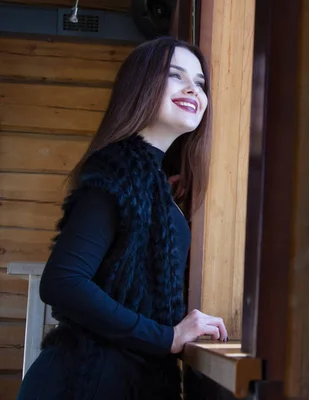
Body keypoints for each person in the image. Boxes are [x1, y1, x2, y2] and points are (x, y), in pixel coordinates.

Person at [17, 36, 227, 400]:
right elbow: (62, 283)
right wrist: (168, 336)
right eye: (175, 75)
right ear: (141, 86)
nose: (193, 88)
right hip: (83, 383)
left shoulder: (150, 180)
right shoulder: (120, 170)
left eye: (200, 82)